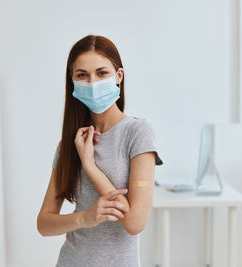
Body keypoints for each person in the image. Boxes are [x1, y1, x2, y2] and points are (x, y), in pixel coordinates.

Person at [37, 34, 163, 267]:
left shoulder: (137, 132)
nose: (92, 83)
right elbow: (44, 224)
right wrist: (85, 217)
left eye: (101, 73)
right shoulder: (70, 143)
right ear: (72, 81)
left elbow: (135, 223)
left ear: (118, 76)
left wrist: (90, 167)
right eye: (82, 75)